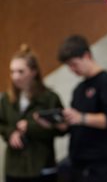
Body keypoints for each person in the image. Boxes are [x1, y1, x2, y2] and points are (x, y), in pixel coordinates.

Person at [57, 35, 107, 182]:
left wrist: (81, 118)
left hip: (98, 161)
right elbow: (74, 124)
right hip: (77, 159)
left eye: (74, 64)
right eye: (69, 66)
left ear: (86, 56)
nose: (72, 69)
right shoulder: (79, 89)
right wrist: (63, 123)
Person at [0, 44, 66, 182]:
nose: (15, 77)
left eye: (20, 71)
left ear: (33, 72)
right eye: (12, 72)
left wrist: (31, 127)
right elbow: (2, 123)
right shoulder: (7, 99)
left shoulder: (49, 98)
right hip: (15, 167)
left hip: (41, 165)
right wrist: (11, 132)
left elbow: (61, 128)